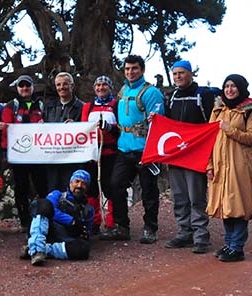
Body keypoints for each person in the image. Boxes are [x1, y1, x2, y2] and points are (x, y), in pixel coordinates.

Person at [108, 55, 165, 242]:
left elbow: (158, 121)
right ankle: (121, 226)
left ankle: (150, 228)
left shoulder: (151, 92)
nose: (130, 72)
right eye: (127, 69)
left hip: (145, 149)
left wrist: (153, 149)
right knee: (116, 185)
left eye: (134, 68)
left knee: (148, 190)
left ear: (142, 70)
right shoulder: (123, 90)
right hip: (124, 147)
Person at [164, 60, 217, 253]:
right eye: (175, 73)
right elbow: (166, 123)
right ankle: (184, 232)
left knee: (196, 196)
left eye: (182, 73)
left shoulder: (203, 95)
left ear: (191, 73)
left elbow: (212, 122)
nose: (178, 77)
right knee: (179, 196)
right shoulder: (171, 96)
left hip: (196, 153)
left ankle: (200, 236)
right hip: (176, 154)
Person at [205, 75, 252, 262]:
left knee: (239, 204)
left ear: (241, 88)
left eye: (234, 86)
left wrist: (229, 130)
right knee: (224, 204)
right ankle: (229, 244)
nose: (229, 90)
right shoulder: (218, 109)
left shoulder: (250, 110)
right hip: (219, 164)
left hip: (240, 164)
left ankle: (237, 247)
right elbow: (209, 138)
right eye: (227, 86)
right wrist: (209, 165)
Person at [1, 74, 46, 231]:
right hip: (18, 155)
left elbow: (50, 126)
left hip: (38, 154)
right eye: (21, 86)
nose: (25, 88)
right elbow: (5, 130)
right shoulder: (11, 106)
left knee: (41, 186)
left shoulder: (41, 105)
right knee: (21, 187)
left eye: (27, 85)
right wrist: (6, 152)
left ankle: (43, 216)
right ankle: (25, 221)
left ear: (32, 87)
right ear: (17, 88)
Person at [20, 169, 94, 266]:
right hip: (47, 228)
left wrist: (82, 232)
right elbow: (49, 209)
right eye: (77, 181)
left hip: (64, 238)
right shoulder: (57, 195)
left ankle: (38, 249)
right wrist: (71, 221)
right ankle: (37, 251)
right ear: (70, 183)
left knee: (84, 249)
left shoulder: (89, 210)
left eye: (83, 183)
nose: (79, 186)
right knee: (43, 204)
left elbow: (87, 233)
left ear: (87, 188)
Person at [81, 75, 118, 233]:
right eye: (98, 85)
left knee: (110, 188)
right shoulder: (88, 107)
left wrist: (109, 127)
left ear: (110, 87)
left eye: (104, 85)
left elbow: (121, 129)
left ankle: (111, 222)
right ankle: (93, 221)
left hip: (110, 152)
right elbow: (82, 128)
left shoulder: (116, 105)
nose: (101, 88)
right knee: (91, 189)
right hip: (92, 153)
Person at [43, 72, 85, 192]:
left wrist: (76, 126)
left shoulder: (82, 107)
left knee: (71, 191)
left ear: (72, 86)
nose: (62, 87)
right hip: (53, 158)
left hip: (72, 159)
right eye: (58, 85)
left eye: (65, 84)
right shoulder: (48, 107)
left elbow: (87, 131)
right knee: (52, 191)